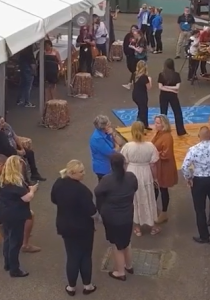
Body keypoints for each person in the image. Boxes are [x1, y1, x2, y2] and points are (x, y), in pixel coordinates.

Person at [51, 160, 99, 296]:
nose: (84, 174)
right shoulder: (82, 191)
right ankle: (87, 285)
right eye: (81, 172)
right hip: (83, 228)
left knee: (72, 256)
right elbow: (92, 211)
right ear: (72, 173)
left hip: (65, 225)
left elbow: (53, 199)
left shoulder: (58, 183)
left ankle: (71, 287)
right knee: (85, 256)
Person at [95, 153, 137, 281]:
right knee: (126, 241)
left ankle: (120, 272)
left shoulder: (107, 180)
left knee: (116, 244)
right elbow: (135, 188)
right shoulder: (131, 177)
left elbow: (97, 192)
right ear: (124, 163)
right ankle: (129, 265)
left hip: (112, 217)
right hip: (128, 214)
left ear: (111, 165)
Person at [0, 155, 39, 277]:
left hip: (5, 214)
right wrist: (33, 190)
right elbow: (27, 198)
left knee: (8, 239)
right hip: (16, 215)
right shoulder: (16, 184)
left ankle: (8, 263)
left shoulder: (3, 180)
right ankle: (15, 269)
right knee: (16, 242)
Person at [120, 121, 160, 236]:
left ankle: (137, 227)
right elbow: (153, 164)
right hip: (145, 172)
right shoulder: (150, 146)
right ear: (144, 131)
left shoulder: (127, 146)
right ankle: (152, 226)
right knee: (148, 197)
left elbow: (123, 162)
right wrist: (155, 178)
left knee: (134, 199)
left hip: (132, 172)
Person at [0, 116, 46, 182]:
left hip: (15, 147)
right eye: (1, 122)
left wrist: (22, 148)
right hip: (9, 151)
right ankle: (25, 181)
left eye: (4, 121)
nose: (3, 124)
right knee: (21, 162)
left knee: (30, 153)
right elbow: (7, 148)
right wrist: (18, 152)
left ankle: (34, 174)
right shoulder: (0, 134)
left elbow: (15, 137)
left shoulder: (7, 126)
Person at [151, 115, 178, 224]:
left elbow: (166, 154)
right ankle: (155, 209)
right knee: (157, 188)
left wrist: (154, 154)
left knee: (162, 188)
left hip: (164, 167)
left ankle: (164, 212)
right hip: (159, 165)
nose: (155, 125)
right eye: (155, 123)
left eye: (157, 123)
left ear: (164, 124)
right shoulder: (159, 134)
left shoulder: (167, 136)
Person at [157, 58, 187, 136]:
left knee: (163, 113)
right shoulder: (176, 75)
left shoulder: (161, 74)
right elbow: (177, 87)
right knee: (177, 113)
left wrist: (166, 87)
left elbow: (160, 87)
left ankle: (163, 130)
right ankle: (181, 131)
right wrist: (172, 90)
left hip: (163, 95)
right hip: (173, 96)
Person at [89, 115, 117, 181]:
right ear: (104, 126)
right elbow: (111, 153)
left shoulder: (104, 132)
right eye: (108, 123)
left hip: (108, 166)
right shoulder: (97, 139)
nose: (110, 123)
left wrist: (113, 134)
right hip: (103, 169)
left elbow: (120, 142)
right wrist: (117, 146)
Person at [131, 61, 151, 130]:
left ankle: (145, 125)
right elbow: (149, 87)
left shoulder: (134, 74)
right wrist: (149, 80)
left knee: (143, 109)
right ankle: (139, 127)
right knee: (143, 111)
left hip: (135, 94)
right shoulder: (144, 77)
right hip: (142, 96)